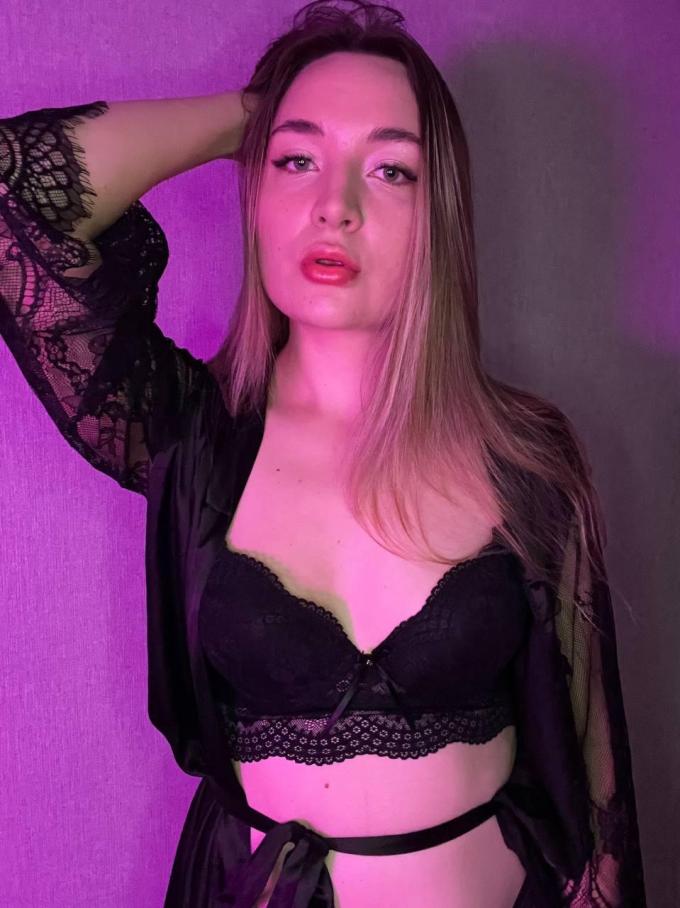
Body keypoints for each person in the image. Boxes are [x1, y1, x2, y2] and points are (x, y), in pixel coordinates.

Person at [0, 1, 646, 905]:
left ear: (439, 214)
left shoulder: (529, 458)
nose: (335, 207)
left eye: (391, 170)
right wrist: (249, 115)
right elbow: (14, 195)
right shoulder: (188, 436)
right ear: (254, 192)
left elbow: (597, 789)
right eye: (297, 161)